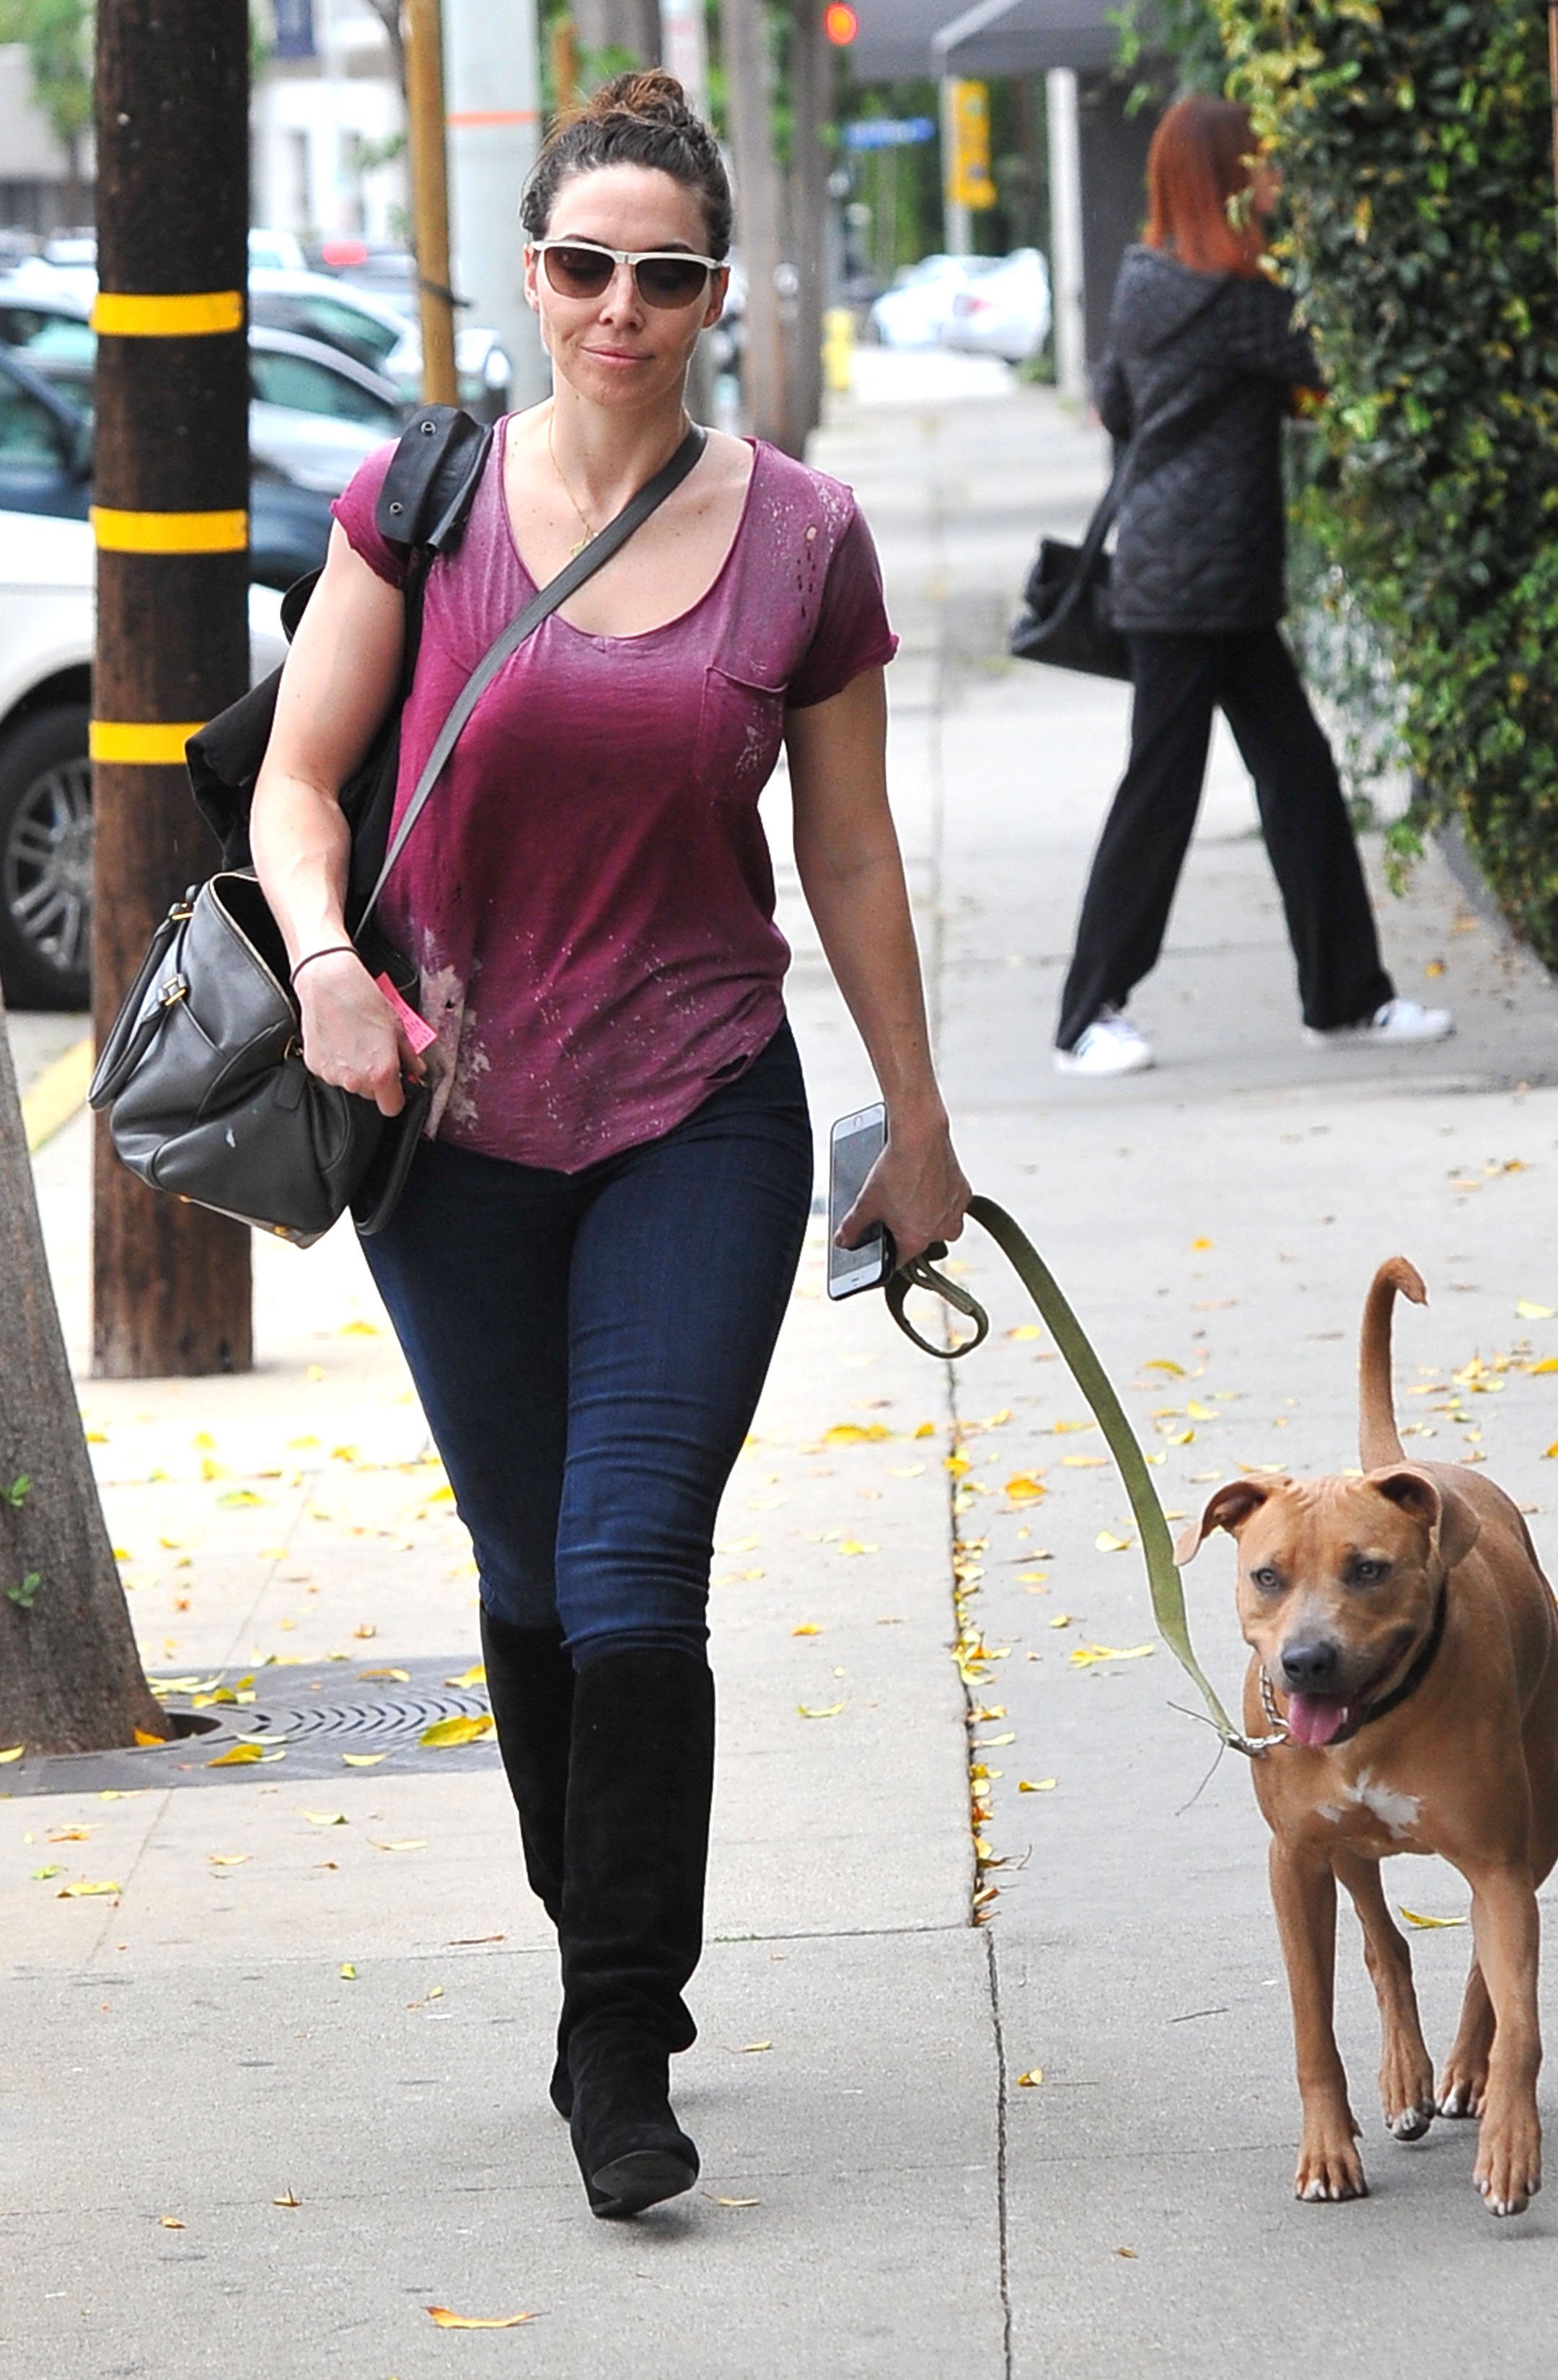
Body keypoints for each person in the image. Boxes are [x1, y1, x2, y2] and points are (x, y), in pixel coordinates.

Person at [248, 71, 969, 2219]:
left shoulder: (804, 541)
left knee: (637, 1569)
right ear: (533, 277)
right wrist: (327, 965)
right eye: (585, 267)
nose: (620, 310)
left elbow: (847, 849)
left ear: (716, 296)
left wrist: (915, 1116)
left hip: (698, 1113)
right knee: (528, 1577)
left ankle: (621, 2037)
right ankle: (601, 1936)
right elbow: (299, 780)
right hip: (449, 1121)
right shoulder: (423, 503)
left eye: (664, 276)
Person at [1054, 94, 1451, 1077]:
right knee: (1166, 794)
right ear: (1228, 178)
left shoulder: (1145, 285)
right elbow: (1339, 361)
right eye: (1262, 164)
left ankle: (1346, 996)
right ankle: (1085, 1017)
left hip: (1186, 577)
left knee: (1297, 777)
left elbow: (1115, 403)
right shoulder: (1235, 301)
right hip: (1201, 586)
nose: (1275, 179)